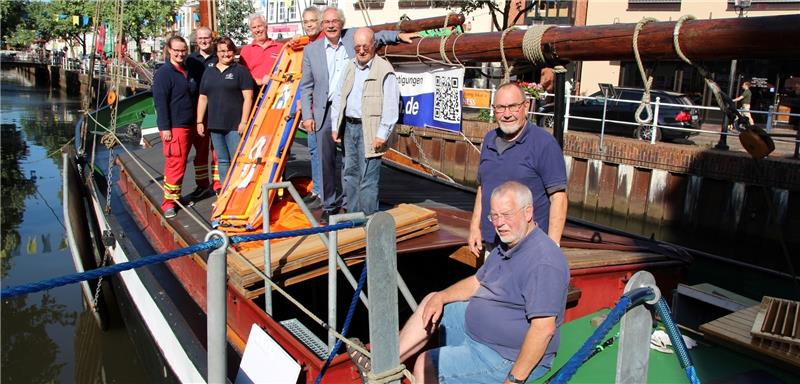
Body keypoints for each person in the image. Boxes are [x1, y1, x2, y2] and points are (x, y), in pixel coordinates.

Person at [386, 181, 569, 383]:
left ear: (528, 213)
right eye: (494, 216)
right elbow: (478, 282)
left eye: (506, 214)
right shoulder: (508, 244)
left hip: (505, 356)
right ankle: (385, 366)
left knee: (425, 365)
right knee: (432, 301)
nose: (499, 223)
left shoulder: (544, 261)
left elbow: (543, 329)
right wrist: (442, 296)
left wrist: (514, 379)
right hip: (480, 332)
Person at [299, 7, 418, 223]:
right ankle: (330, 204)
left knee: (351, 165)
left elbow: (376, 37)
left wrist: (398, 35)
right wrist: (308, 115)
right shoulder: (311, 50)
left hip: (352, 110)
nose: (331, 25)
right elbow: (306, 85)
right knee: (326, 161)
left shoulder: (352, 37)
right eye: (327, 22)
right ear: (321, 25)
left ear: (341, 23)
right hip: (327, 111)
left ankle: (349, 206)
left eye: (335, 21)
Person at [467, 83, 568, 258]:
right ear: (494, 109)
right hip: (493, 243)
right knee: (491, 285)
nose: (507, 114)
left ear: (526, 107)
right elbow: (483, 188)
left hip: (528, 247)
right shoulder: (489, 139)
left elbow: (558, 197)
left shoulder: (544, 144)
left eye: (513, 106)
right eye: (500, 108)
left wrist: (552, 248)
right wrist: (475, 227)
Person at [330, 28, 399, 215]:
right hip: (349, 127)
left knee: (368, 179)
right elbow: (338, 97)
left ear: (374, 45)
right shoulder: (349, 66)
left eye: (365, 47)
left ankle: (368, 222)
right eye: (357, 47)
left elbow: (391, 106)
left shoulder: (384, 70)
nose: (361, 51)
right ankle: (352, 219)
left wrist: (382, 134)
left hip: (370, 130)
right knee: (350, 175)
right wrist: (336, 126)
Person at [152, 35, 200, 219]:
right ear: (169, 51)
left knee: (191, 159)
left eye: (183, 50)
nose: (181, 54)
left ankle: (180, 196)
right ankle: (169, 203)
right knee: (176, 164)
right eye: (177, 50)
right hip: (176, 126)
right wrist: (165, 128)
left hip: (191, 123)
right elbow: (160, 102)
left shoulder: (187, 70)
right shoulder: (164, 74)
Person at [196, 37, 254, 186]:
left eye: (229, 50)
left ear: (233, 51)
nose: (226, 54)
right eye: (222, 51)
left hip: (234, 125)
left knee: (237, 159)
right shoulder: (209, 72)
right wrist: (199, 121)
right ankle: (225, 192)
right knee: (222, 160)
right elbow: (203, 98)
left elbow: (248, 98)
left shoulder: (241, 71)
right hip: (215, 124)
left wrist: (244, 121)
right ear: (217, 53)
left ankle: (238, 191)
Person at [184, 26, 222, 199]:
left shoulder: (219, 56)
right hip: (196, 111)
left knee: (217, 148)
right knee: (200, 150)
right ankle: (202, 184)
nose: (203, 41)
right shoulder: (190, 60)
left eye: (206, 38)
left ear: (211, 39)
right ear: (196, 40)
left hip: (216, 109)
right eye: (200, 39)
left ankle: (218, 183)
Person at [239, 14, 281, 88]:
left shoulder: (280, 47)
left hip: (276, 89)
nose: (257, 30)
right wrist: (260, 81)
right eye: (254, 27)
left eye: (259, 26)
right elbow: (241, 76)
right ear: (251, 31)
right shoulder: (246, 50)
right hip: (255, 90)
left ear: (266, 27)